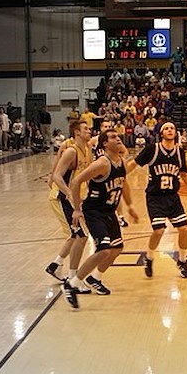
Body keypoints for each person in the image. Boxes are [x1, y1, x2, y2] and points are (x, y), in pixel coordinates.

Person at [62, 130, 139, 309]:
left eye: (118, 136)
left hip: (109, 212)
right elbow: (76, 182)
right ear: (104, 144)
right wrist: (75, 209)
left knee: (117, 248)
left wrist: (130, 206)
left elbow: (123, 184)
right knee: (104, 249)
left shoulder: (121, 163)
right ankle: (72, 284)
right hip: (94, 211)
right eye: (113, 137)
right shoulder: (102, 163)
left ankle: (94, 278)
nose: (118, 138)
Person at [134, 121, 187, 278]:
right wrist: (121, 172)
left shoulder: (179, 151)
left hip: (172, 197)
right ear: (161, 133)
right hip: (155, 197)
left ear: (175, 132)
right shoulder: (153, 149)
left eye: (172, 128)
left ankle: (182, 261)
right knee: (158, 231)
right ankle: (149, 257)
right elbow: (135, 163)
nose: (170, 130)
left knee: (184, 229)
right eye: (166, 128)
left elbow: (184, 174)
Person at [45, 120, 93, 285]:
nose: (89, 130)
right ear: (77, 132)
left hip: (74, 199)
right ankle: (73, 278)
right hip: (61, 197)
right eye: (86, 128)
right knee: (80, 235)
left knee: (76, 235)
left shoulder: (87, 149)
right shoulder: (71, 151)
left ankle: (56, 265)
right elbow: (57, 175)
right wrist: (68, 193)